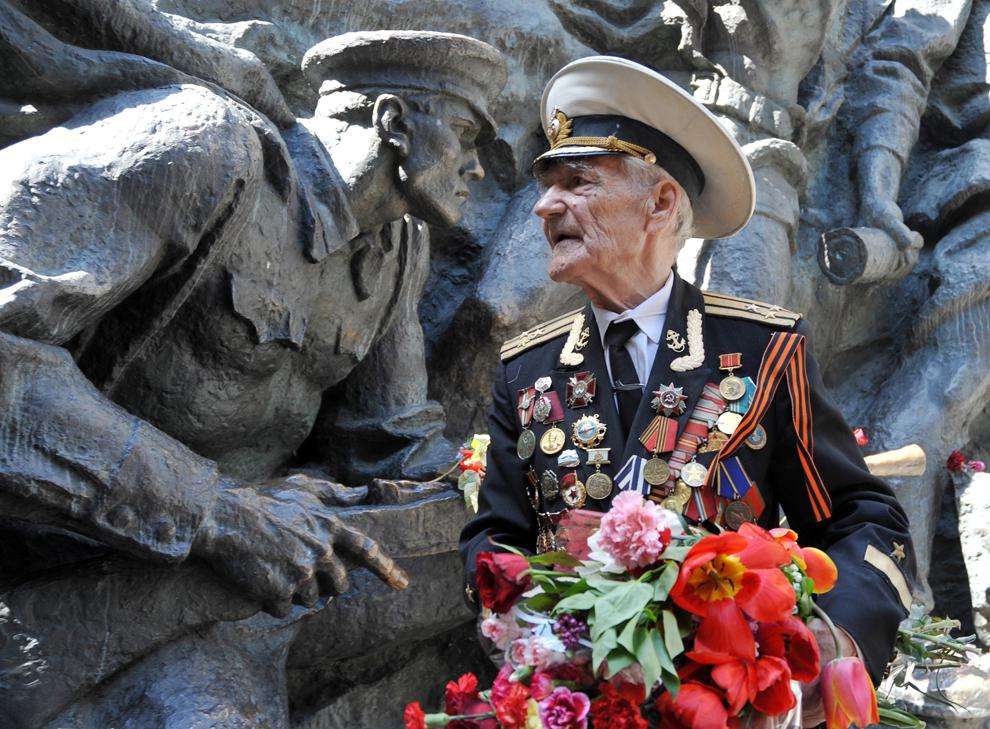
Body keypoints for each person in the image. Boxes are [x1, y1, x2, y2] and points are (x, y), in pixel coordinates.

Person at [0, 27, 506, 726]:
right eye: (465, 135)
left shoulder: (398, 248)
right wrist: (223, 515)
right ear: (393, 121)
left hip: (226, 605)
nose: (479, 167)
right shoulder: (203, 149)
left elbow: (389, 445)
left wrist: (557, 514)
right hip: (54, 572)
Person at [459, 56, 915, 722]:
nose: (543, 204)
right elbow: (494, 536)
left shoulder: (763, 351)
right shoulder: (525, 369)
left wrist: (834, 638)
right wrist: (526, 614)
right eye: (546, 184)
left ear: (662, 202)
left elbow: (865, 521)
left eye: (576, 181)